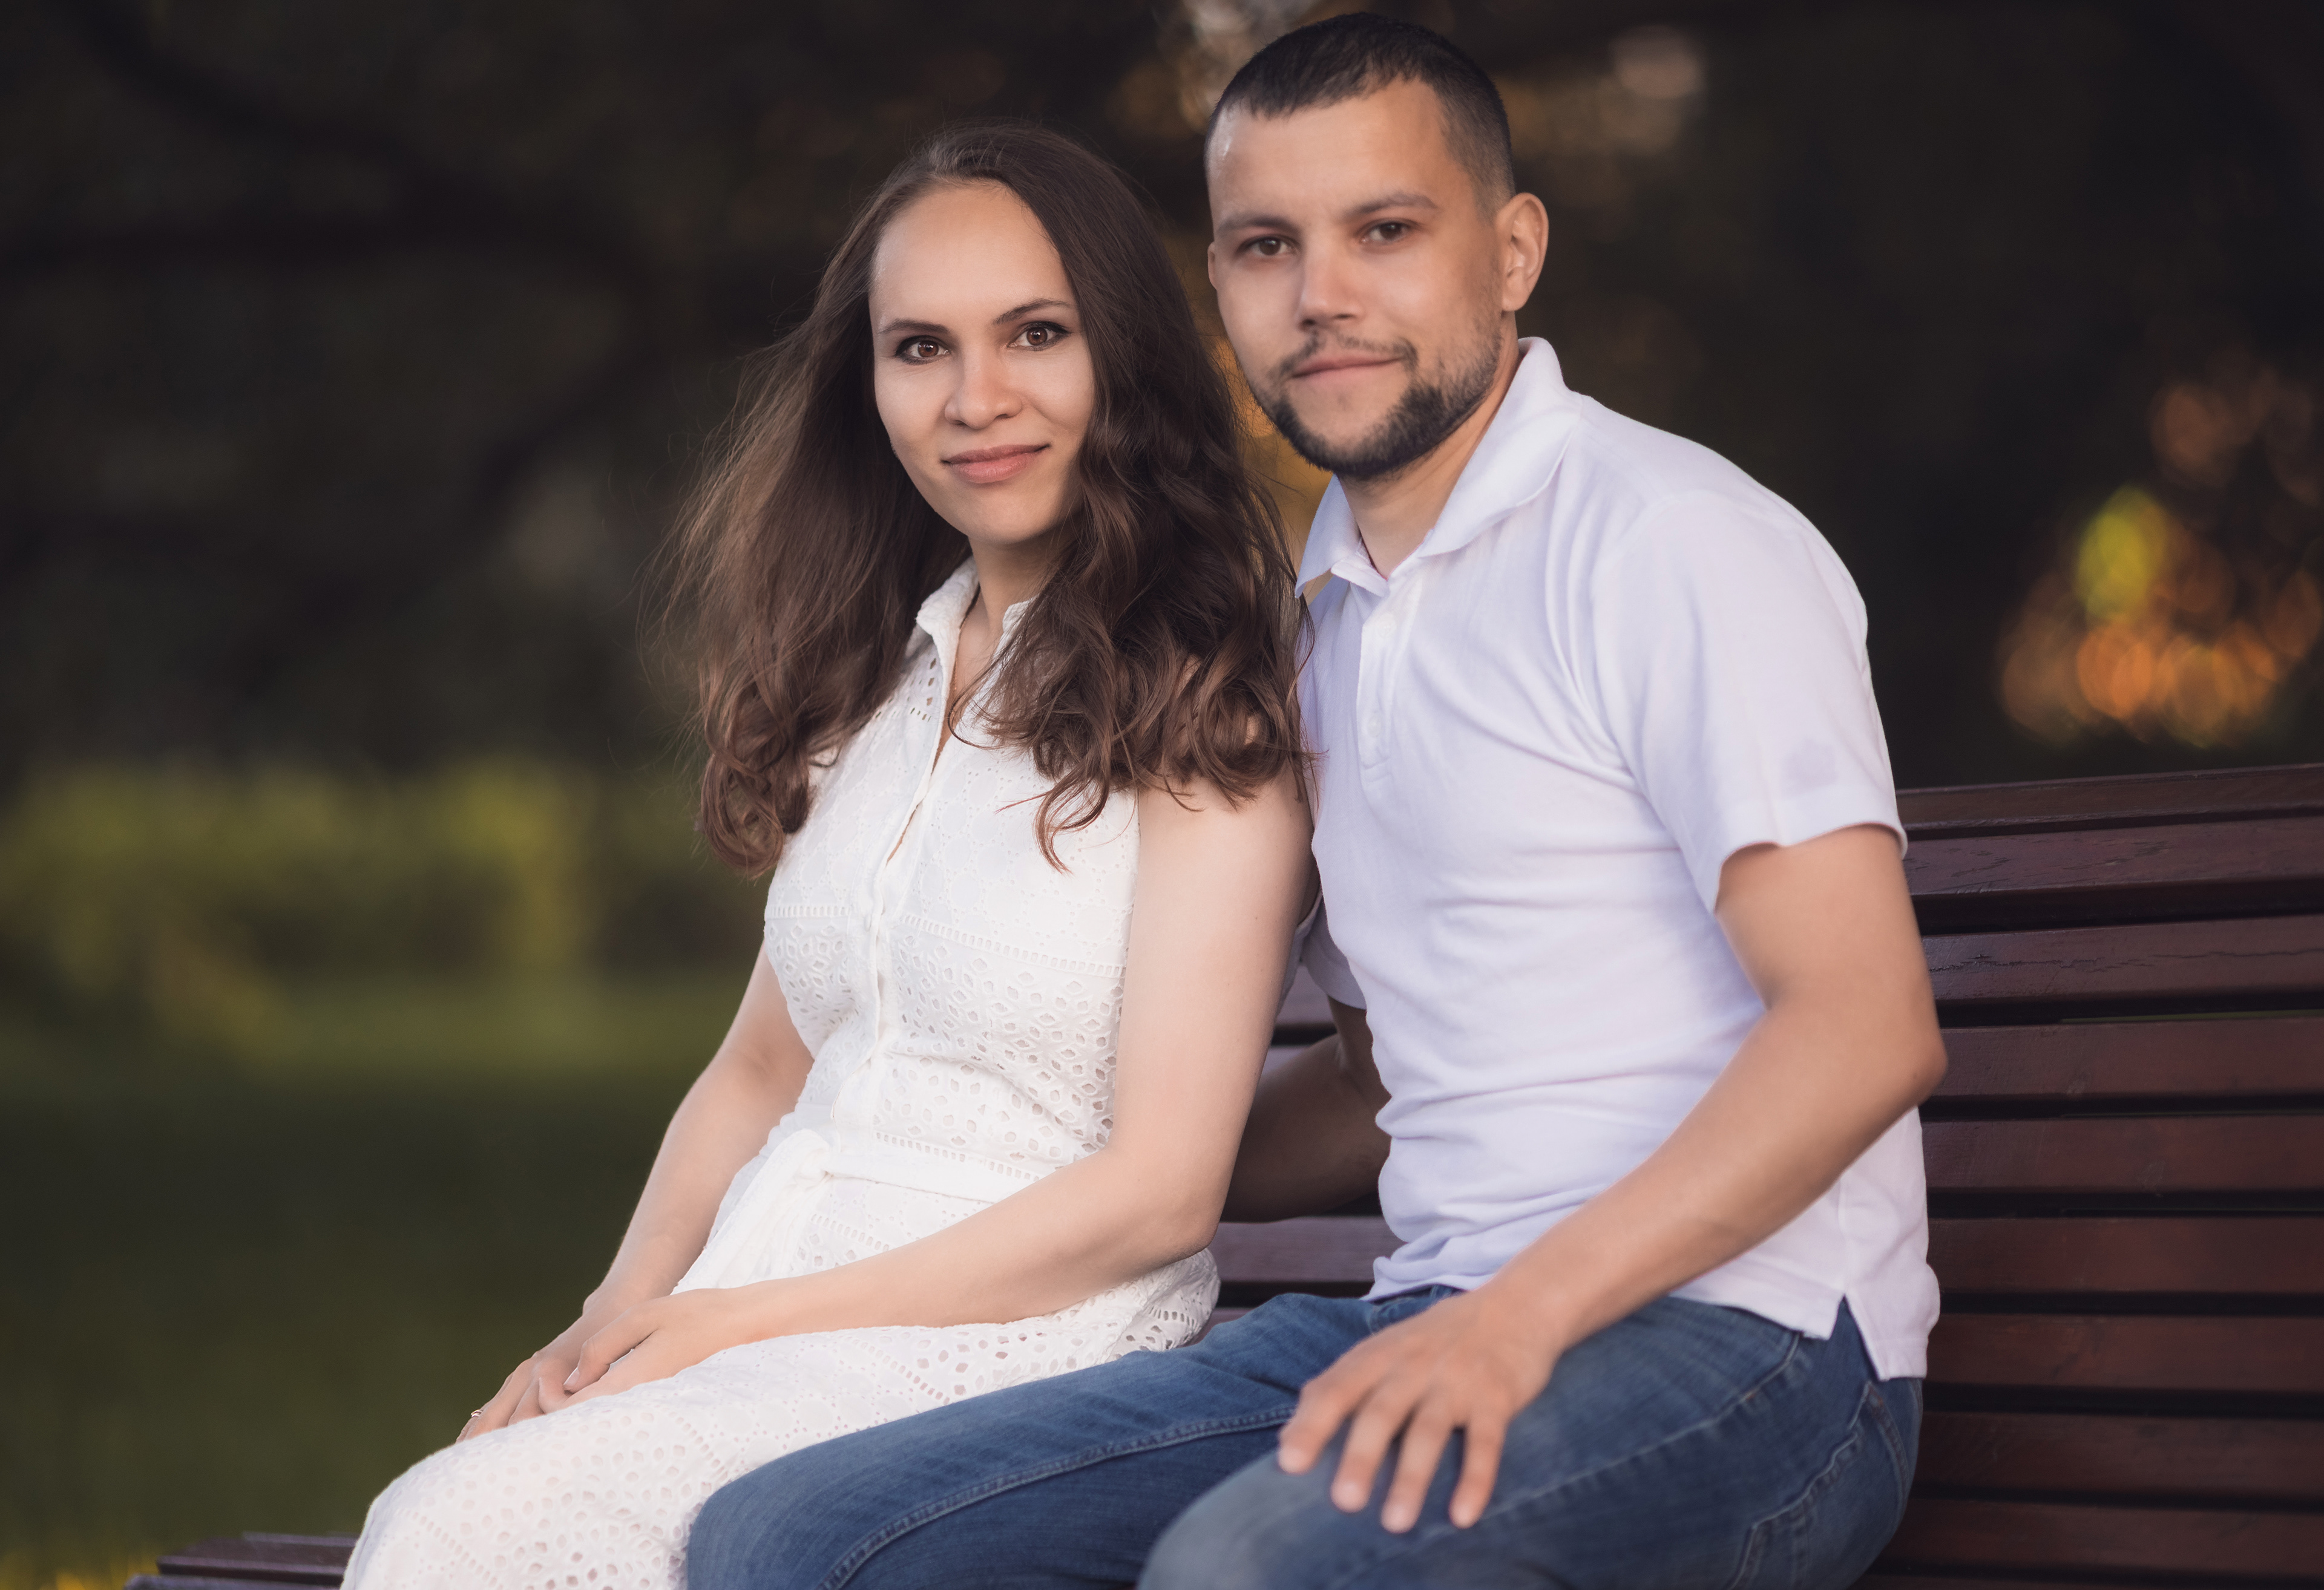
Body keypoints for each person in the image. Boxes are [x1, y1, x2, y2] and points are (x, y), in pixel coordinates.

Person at [686, 15, 1946, 1590]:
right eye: (1267, 246)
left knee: (1251, 1570)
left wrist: (1517, 1318)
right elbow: (1368, 1083)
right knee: (792, 1539)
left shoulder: (1668, 540)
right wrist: (1067, 1176)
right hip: (1427, 1316)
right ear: (1218, 286)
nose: (1322, 295)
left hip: (1755, 1349)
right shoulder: (1321, 628)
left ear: (1513, 251)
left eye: (1386, 232)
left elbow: (1866, 1027)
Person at [340, 122, 1316, 1590]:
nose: (976, 399)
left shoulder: (1200, 700)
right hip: (762, 1302)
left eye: (1035, 334)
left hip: (1015, 1349)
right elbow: (758, 1070)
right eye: (921, 349)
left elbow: (1163, 1192)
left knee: (469, 1533)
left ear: (1123, 353)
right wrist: (607, 1322)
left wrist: (732, 1328)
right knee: (456, 1504)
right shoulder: (876, 683)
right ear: (868, 385)